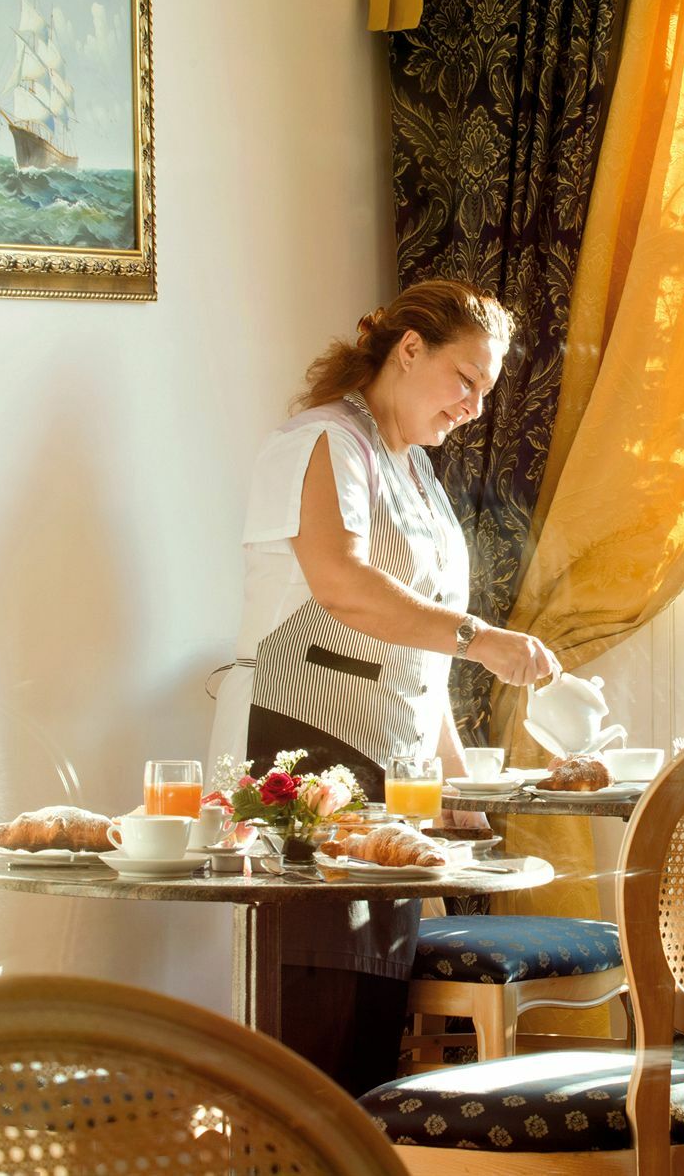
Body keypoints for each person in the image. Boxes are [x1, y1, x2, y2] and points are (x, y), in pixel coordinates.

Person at [207, 279, 561, 1093]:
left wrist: (455, 779)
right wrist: (483, 639)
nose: (474, 407)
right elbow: (344, 585)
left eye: (487, 391)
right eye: (464, 380)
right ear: (409, 350)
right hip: (299, 748)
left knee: (370, 1020)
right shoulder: (319, 442)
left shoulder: (417, 475)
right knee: (312, 1017)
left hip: (389, 772)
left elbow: (416, 655)